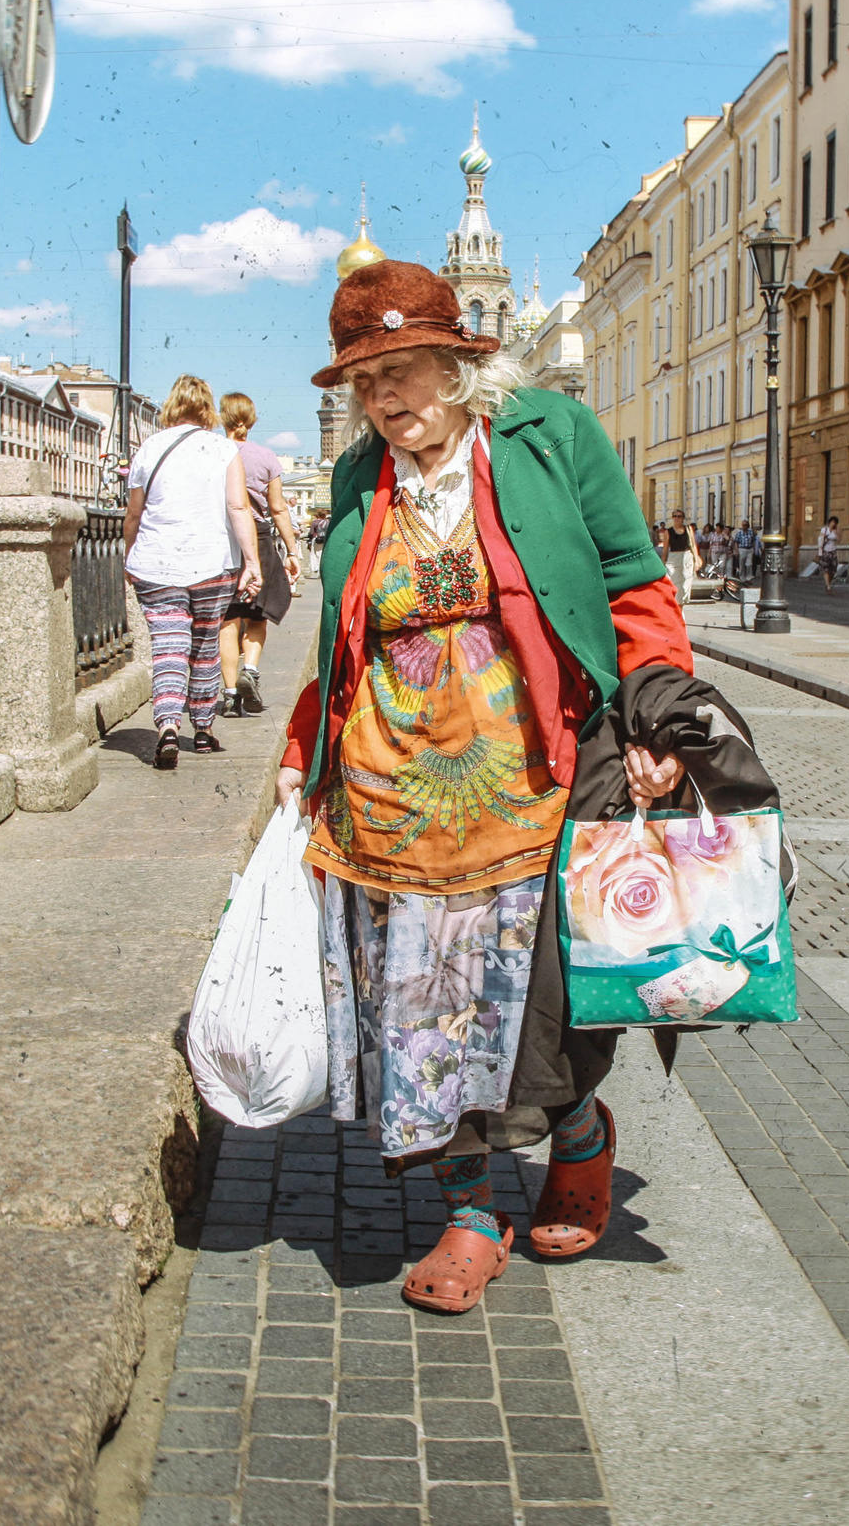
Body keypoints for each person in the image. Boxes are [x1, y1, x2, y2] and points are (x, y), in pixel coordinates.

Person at [274, 258, 692, 1316]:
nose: (384, 398)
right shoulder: (358, 477)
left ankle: (579, 1136)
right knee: (417, 1015)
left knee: (540, 1008)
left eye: (402, 371)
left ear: (459, 364)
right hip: (387, 799)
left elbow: (633, 583)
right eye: (365, 382)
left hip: (532, 783)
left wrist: (658, 720)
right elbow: (341, 633)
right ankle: (470, 1211)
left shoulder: (548, 439)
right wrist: (301, 746)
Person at [124, 375, 263, 769]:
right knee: (204, 646)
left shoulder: (150, 447)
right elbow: (238, 508)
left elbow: (134, 513)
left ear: (171, 405)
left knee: (168, 647)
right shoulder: (223, 449)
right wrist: (252, 563)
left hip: (156, 564)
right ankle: (202, 730)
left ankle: (168, 725)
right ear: (207, 409)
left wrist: (128, 555)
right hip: (213, 563)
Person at [217, 392, 302, 717]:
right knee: (257, 615)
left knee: (228, 619)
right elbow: (278, 508)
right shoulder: (265, 457)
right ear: (251, 420)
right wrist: (292, 551)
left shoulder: (213, 452)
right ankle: (250, 671)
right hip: (260, 540)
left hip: (223, 541)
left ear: (223, 417)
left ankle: (229, 694)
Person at [665, 509, 695, 595]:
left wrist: (696, 559)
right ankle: (676, 601)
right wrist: (663, 562)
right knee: (674, 582)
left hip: (687, 557)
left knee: (686, 582)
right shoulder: (668, 532)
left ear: (683, 518)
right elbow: (665, 550)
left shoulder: (688, 529)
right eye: (675, 516)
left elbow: (693, 545)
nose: (677, 518)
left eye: (679, 516)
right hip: (673, 558)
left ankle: (683, 601)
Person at [815, 515, 841, 592]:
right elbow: (820, 538)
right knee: (826, 569)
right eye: (833, 522)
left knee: (833, 569)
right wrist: (826, 536)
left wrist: (836, 532)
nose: (834, 524)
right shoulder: (824, 530)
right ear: (830, 522)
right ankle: (828, 586)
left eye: (835, 522)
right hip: (825, 551)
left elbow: (838, 540)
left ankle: (828, 583)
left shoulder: (836, 531)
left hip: (833, 551)